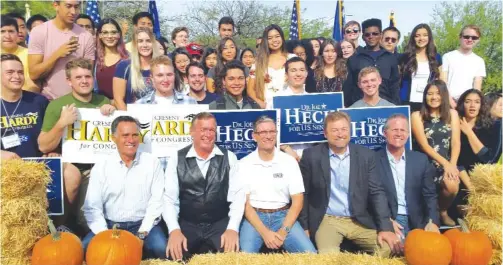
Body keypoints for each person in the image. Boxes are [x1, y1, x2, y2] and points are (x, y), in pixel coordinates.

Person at [299, 111, 400, 256]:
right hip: (328, 219)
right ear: (325, 133)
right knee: (328, 257)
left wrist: (385, 227)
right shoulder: (311, 156)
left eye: (344, 129)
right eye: (334, 130)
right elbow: (304, 193)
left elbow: (376, 192)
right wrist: (305, 226)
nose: (340, 134)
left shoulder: (366, 156)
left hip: (358, 219)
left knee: (388, 248)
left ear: (350, 131)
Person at [37, 58, 115, 230]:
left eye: (87, 76)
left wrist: (112, 111)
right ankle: (59, 230)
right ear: (69, 81)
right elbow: (43, 146)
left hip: (99, 167)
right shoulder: (57, 106)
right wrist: (61, 123)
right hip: (73, 166)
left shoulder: (103, 101)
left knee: (88, 221)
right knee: (73, 184)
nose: (84, 81)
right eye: (78, 77)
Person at [82, 115, 167, 259]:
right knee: (83, 249)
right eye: (125, 135)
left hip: (143, 225)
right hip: (110, 226)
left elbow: (156, 203)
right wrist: (105, 235)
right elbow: (92, 207)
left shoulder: (152, 163)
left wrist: (142, 233)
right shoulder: (102, 166)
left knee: (161, 249)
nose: (131, 140)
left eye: (135, 135)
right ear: (113, 138)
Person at [163, 112, 245, 260]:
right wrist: (174, 230)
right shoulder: (176, 158)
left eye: (211, 130)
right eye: (203, 129)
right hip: (188, 224)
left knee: (234, 259)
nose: (208, 134)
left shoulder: (230, 158)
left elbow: (238, 197)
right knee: (174, 257)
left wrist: (232, 229)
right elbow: (169, 199)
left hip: (218, 223)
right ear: (192, 132)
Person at [238, 116, 316, 253]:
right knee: (244, 258)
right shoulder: (244, 164)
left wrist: (283, 231)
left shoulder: (289, 162)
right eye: (263, 132)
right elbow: (246, 205)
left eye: (272, 131)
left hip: (284, 216)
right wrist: (265, 233)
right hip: (255, 218)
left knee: (311, 255)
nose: (268, 136)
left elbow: (298, 201)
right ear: (254, 136)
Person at [376, 114, 440, 239]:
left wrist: (432, 222)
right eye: (394, 130)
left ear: (408, 134)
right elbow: (370, 197)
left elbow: (430, 195)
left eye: (403, 130)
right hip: (390, 220)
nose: (399, 134)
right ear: (385, 133)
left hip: (418, 220)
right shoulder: (373, 160)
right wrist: (385, 221)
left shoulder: (420, 160)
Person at [410, 80, 461, 226]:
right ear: (425, 96)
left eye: (438, 93)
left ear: (443, 95)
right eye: (430, 93)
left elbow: (456, 142)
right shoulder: (417, 116)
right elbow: (424, 145)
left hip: (447, 163)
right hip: (425, 164)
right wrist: (446, 164)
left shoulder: (452, 114)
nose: (434, 97)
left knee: (452, 185)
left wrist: (452, 165)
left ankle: (442, 211)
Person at [28, 0, 95, 100]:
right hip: (48, 100)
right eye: (68, 6)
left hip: (79, 102)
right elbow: (34, 74)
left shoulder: (86, 36)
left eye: (76, 7)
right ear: (56, 5)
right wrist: (57, 55)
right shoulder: (39, 32)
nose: (73, 11)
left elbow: (88, 76)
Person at [0, 54, 48, 160]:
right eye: (10, 72)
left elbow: (52, 132)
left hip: (37, 165)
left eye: (20, 72)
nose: (17, 76)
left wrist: (54, 150)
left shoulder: (39, 101)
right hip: (4, 167)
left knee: (72, 173)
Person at [342, 18, 400, 107]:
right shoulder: (354, 59)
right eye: (367, 34)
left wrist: (396, 106)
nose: (371, 36)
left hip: (386, 106)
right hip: (361, 106)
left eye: (375, 34)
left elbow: (395, 86)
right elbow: (349, 87)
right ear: (363, 37)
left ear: (381, 35)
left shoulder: (390, 58)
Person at [267, 57, 313, 160]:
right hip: (283, 155)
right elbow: (268, 130)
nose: (298, 74)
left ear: (306, 73)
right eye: (293, 70)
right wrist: (287, 149)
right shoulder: (275, 101)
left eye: (302, 70)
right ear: (286, 75)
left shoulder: (314, 101)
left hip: (311, 156)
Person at [113, 28, 161, 110]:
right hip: (132, 117)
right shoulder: (124, 67)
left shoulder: (161, 66)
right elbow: (118, 100)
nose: (145, 45)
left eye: (148, 41)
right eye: (140, 41)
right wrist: (129, 118)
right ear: (135, 44)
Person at [249, 24, 296, 108]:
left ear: (282, 37)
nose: (274, 40)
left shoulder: (293, 59)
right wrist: (260, 103)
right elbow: (250, 90)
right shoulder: (258, 63)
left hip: (291, 106)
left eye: (277, 36)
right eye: (270, 38)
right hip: (267, 108)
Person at [399, 24, 442, 112]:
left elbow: (440, 80)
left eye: (425, 35)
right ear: (413, 38)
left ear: (429, 37)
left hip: (428, 102)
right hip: (406, 102)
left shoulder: (436, 57)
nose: (421, 38)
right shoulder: (405, 57)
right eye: (417, 36)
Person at [457, 89, 502, 173]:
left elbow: (490, 160)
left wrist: (469, 133)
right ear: (462, 104)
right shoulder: (455, 125)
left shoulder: (492, 126)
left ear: (481, 105)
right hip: (459, 174)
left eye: (477, 102)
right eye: (468, 101)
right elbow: (455, 161)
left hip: (482, 176)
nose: (472, 105)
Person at [441, 25, 485, 107]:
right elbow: (443, 82)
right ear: (460, 37)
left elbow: (477, 88)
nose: (470, 40)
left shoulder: (479, 61)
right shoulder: (447, 57)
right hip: (447, 102)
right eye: (466, 37)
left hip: (467, 104)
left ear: (478, 40)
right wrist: (452, 103)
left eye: (474, 38)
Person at [1, 16, 39, 92]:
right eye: (2, 31)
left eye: (11, 31)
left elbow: (34, 85)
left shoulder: (29, 54)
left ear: (17, 33)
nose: (7, 36)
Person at [94, 18, 129, 99]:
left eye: (113, 32)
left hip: (124, 108)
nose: (109, 36)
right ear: (99, 35)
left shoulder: (129, 58)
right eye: (105, 32)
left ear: (119, 34)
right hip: (101, 108)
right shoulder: (94, 59)